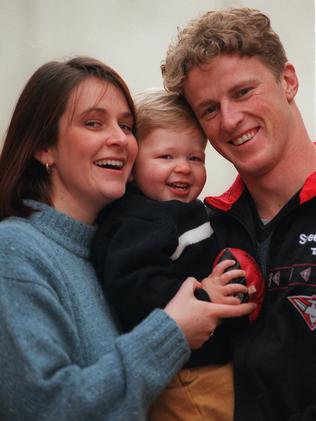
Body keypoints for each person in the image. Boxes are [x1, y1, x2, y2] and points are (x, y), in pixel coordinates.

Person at [0, 56, 255, 421]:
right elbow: (44, 408)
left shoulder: (101, 245)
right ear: (44, 147)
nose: (120, 139)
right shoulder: (14, 252)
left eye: (126, 125)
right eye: (93, 123)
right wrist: (173, 331)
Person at [162, 6, 316, 421]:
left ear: (288, 81)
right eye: (209, 109)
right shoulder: (202, 230)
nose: (230, 120)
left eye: (243, 92)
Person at [91, 88, 261, 420]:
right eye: (166, 157)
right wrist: (203, 293)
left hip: (212, 363)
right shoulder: (137, 221)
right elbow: (134, 290)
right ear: (133, 162)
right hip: (186, 378)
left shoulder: (180, 211)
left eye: (194, 157)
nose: (183, 168)